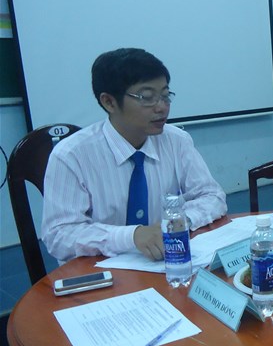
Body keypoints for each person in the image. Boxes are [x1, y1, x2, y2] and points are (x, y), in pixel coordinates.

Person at [42, 48, 227, 263]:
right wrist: (132, 236)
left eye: (165, 96)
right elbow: (59, 234)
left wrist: (180, 221)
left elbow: (212, 196)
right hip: (98, 268)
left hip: (164, 261)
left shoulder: (177, 140)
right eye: (147, 98)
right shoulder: (71, 155)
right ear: (109, 102)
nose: (162, 107)